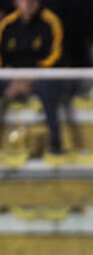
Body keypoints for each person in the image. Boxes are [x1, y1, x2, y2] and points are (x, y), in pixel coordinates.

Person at [0, 0, 67, 156]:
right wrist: (10, 77)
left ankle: (56, 143)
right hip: (13, 79)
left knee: (47, 87)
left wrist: (30, 77)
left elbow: (54, 57)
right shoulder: (7, 25)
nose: (28, 2)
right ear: (16, 2)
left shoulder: (50, 21)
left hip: (41, 77)